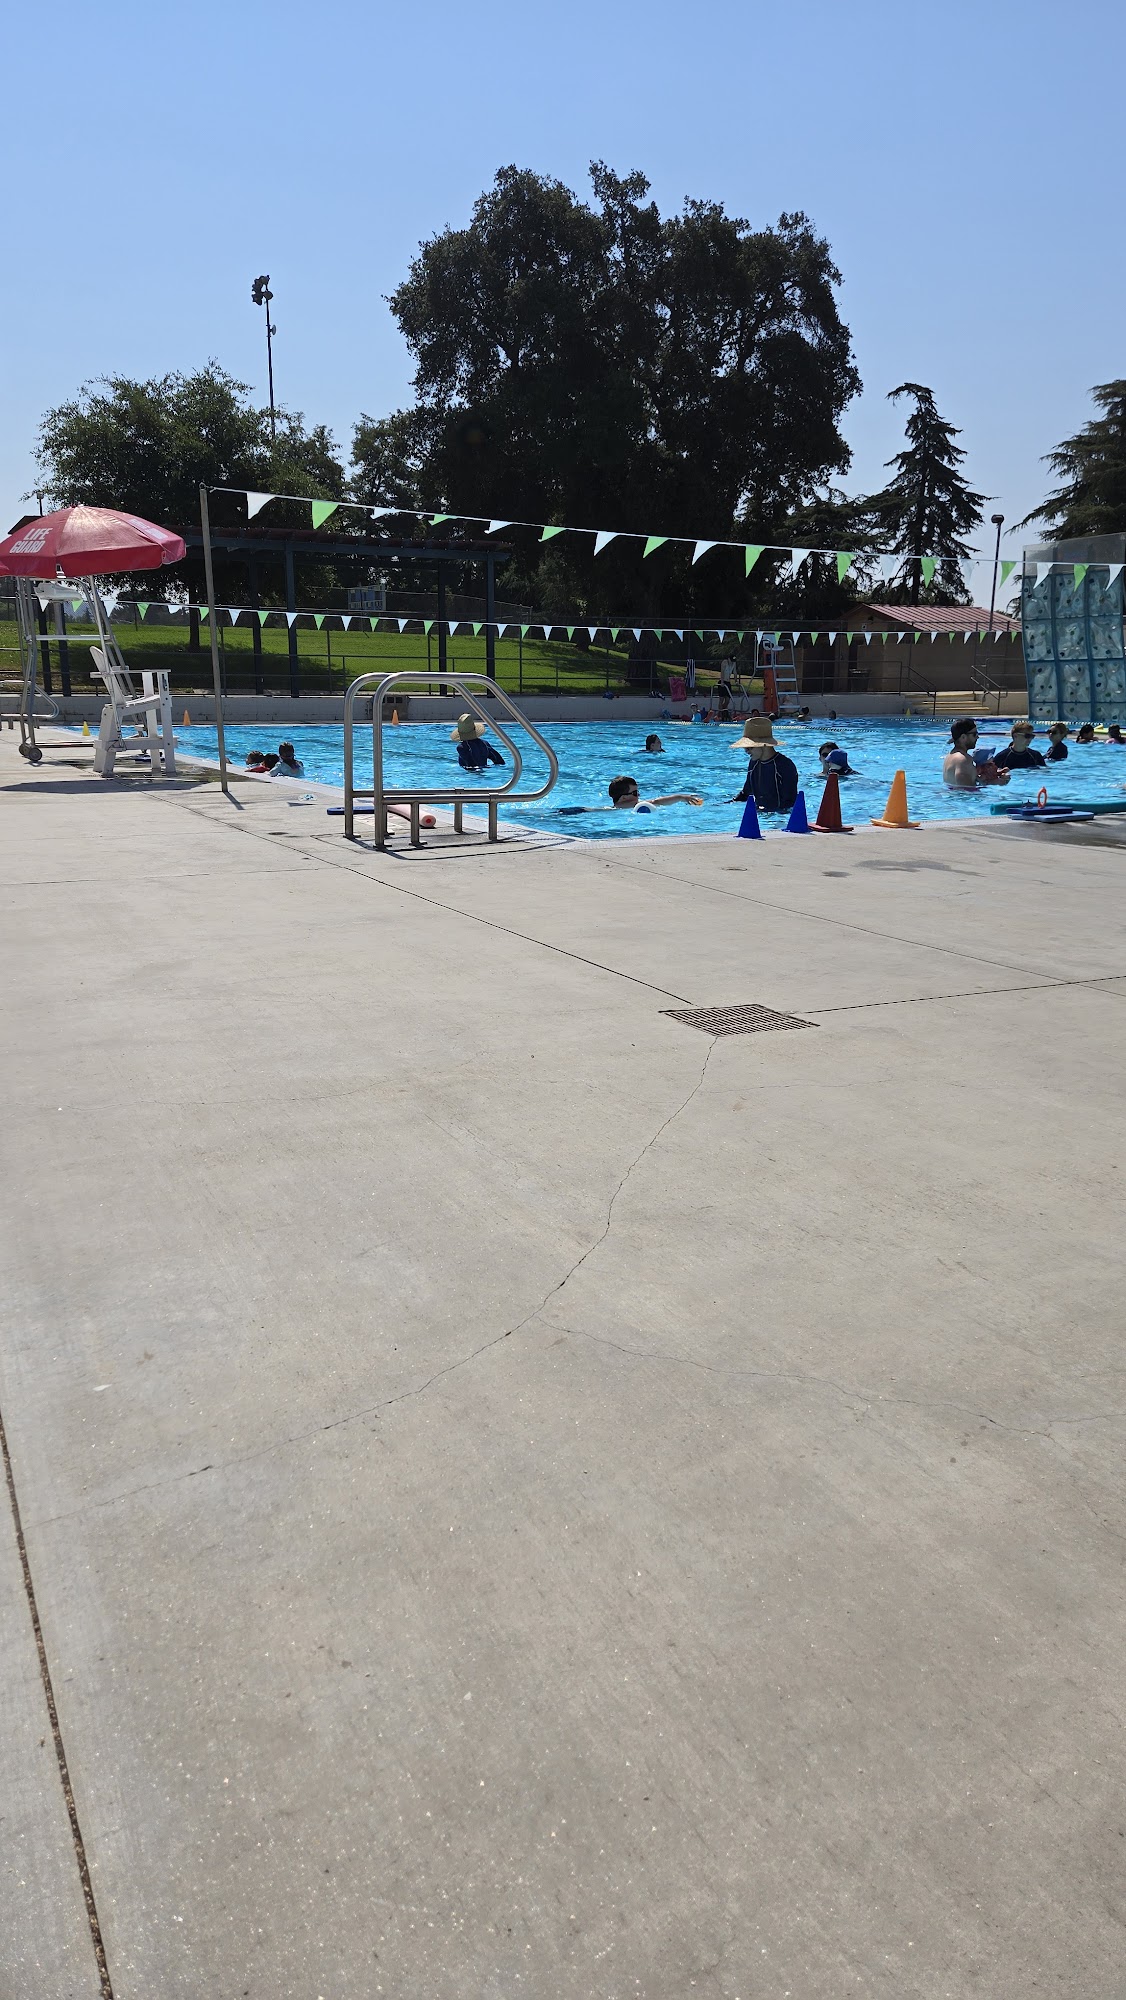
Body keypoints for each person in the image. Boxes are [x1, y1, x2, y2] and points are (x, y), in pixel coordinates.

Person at [729, 716, 799, 813]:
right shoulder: (754, 763)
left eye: (749, 748)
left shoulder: (784, 765)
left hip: (779, 816)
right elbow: (746, 793)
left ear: (764, 744)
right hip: (761, 813)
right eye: (745, 748)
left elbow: (789, 802)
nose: (746, 751)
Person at [942, 717, 1010, 789]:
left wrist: (993, 780)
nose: (977, 737)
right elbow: (966, 791)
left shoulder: (950, 756)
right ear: (963, 737)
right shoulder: (963, 760)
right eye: (974, 734)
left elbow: (960, 786)